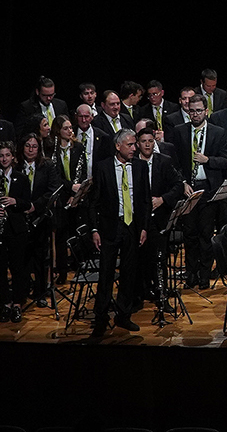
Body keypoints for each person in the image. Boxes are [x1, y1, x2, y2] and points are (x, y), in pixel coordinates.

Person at [87, 129, 151, 336]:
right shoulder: (103, 167)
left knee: (129, 272)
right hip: (110, 227)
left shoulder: (141, 167)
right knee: (106, 274)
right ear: (118, 146)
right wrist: (94, 229)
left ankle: (124, 315)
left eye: (135, 145)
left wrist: (143, 228)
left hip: (132, 227)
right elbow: (93, 201)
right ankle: (101, 317)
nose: (135, 148)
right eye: (130, 145)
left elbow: (145, 201)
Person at [171, 94, 227, 289]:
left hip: (208, 188)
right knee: (190, 233)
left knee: (206, 233)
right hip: (188, 188)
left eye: (199, 110)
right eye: (192, 111)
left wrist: (208, 160)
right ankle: (191, 273)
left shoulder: (218, 132)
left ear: (206, 111)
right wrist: (182, 183)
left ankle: (204, 274)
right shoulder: (180, 131)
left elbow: (225, 160)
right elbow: (174, 163)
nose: (195, 114)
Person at [0, 142, 33, 323]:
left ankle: (17, 304)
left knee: (18, 268)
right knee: (0, 269)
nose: (4, 159)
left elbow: (27, 203)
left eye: (7, 155)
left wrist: (14, 201)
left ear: (13, 157)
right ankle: (6, 304)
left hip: (17, 230)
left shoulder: (22, 178)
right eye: (1, 156)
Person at [134, 128, 184, 306]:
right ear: (137, 144)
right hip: (137, 220)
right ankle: (141, 292)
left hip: (159, 219)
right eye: (143, 141)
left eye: (150, 141)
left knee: (159, 258)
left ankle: (162, 295)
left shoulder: (164, 161)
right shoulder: (131, 163)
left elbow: (178, 185)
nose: (147, 144)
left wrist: (163, 199)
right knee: (140, 258)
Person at [18, 133, 62, 306]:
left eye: (34, 146)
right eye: (28, 145)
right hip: (19, 217)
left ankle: (40, 292)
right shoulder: (16, 165)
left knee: (41, 257)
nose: (30, 149)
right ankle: (21, 291)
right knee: (22, 257)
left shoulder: (47, 166)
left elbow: (52, 190)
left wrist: (35, 206)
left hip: (40, 217)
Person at [49, 114, 86, 281]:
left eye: (71, 127)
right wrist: (69, 188)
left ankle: (80, 266)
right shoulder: (52, 149)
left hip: (76, 196)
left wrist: (75, 194)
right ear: (58, 130)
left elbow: (82, 171)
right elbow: (54, 175)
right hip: (60, 196)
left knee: (77, 231)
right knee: (61, 235)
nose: (70, 131)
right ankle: (62, 272)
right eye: (66, 128)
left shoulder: (78, 147)